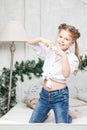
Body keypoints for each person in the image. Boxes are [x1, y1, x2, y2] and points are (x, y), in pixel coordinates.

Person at [27, 23, 80, 123]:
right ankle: (46, 114)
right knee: (32, 123)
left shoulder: (72, 58)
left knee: (61, 125)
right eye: (60, 36)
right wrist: (41, 39)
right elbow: (30, 43)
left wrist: (64, 56)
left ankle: (67, 115)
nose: (62, 40)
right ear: (57, 36)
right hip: (44, 95)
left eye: (66, 39)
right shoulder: (50, 50)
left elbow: (66, 74)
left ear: (72, 43)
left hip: (60, 96)